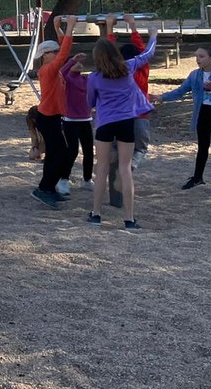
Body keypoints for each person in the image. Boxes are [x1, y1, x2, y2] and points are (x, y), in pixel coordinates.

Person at [87, 30, 157, 230]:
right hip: (127, 121)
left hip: (105, 123)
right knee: (125, 169)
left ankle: (96, 214)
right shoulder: (128, 67)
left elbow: (90, 101)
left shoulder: (94, 77)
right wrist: (153, 36)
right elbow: (148, 54)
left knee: (101, 168)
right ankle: (129, 218)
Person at [155, 46, 211, 195]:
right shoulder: (194, 75)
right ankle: (197, 178)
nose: (198, 59)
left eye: (201, 56)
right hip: (202, 113)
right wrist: (162, 97)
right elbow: (181, 91)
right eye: (196, 56)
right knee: (202, 147)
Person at [30, 17, 73, 209]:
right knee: (60, 155)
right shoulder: (48, 70)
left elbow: (63, 48)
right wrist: (70, 27)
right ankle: (44, 188)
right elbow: (65, 52)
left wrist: (58, 28)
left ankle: (48, 188)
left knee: (58, 155)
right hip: (47, 118)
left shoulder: (52, 69)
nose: (57, 53)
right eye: (53, 52)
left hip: (52, 117)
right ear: (45, 55)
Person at [60, 53, 94, 190]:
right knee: (72, 151)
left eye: (81, 63)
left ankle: (87, 179)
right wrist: (71, 61)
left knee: (88, 151)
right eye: (76, 63)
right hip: (70, 120)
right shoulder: (66, 79)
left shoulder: (86, 79)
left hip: (86, 120)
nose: (79, 64)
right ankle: (63, 179)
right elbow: (61, 72)